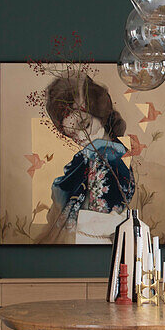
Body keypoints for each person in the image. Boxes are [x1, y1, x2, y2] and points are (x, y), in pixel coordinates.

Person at [42, 73, 135, 243]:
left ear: (99, 113)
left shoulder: (111, 156)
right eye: (72, 135)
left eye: (84, 125)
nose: (80, 137)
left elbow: (102, 220)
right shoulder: (88, 159)